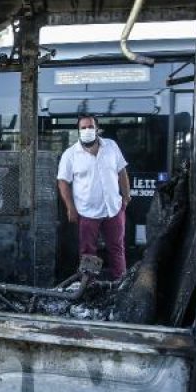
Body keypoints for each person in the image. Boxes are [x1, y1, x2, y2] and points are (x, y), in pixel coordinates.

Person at [57, 114, 131, 280]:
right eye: (83, 128)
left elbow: (122, 171)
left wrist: (126, 196)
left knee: (117, 248)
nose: (87, 130)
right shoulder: (70, 154)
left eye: (90, 127)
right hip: (87, 212)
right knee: (88, 252)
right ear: (78, 131)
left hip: (114, 209)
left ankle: (120, 283)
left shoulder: (111, 146)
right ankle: (88, 286)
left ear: (97, 129)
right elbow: (63, 182)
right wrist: (71, 208)